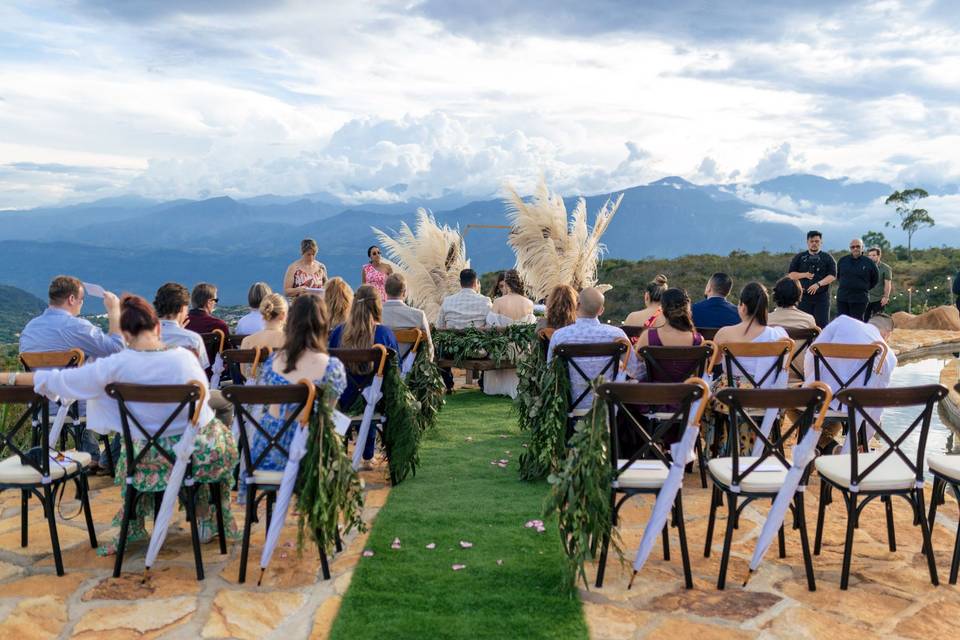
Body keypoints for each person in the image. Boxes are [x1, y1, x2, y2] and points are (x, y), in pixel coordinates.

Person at [3, 295, 239, 552]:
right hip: (196, 455)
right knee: (215, 438)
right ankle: (205, 515)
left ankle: (137, 521)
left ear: (125, 335)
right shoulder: (185, 358)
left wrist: (10, 376)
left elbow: (58, 380)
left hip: (145, 458)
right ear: (158, 327)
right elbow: (202, 412)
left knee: (138, 445)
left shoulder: (115, 366)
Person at [19, 275, 124, 470]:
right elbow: (117, 348)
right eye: (81, 300)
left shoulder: (29, 329)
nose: (81, 305)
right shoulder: (77, 327)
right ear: (71, 299)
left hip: (40, 406)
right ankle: (108, 460)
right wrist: (114, 310)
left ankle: (90, 455)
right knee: (130, 403)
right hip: (73, 404)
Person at [250, 295, 347, 471]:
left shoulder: (273, 362)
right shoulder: (332, 368)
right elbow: (329, 415)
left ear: (291, 322)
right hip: (311, 456)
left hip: (268, 452)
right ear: (323, 324)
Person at [803, 313, 897, 454]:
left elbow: (811, 355)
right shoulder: (888, 355)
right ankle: (829, 449)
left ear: (868, 323)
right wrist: (864, 438)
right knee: (841, 413)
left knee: (798, 404)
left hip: (820, 399)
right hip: (855, 407)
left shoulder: (842, 322)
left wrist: (810, 383)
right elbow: (878, 403)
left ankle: (818, 447)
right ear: (887, 334)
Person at [329, 285, 399, 468]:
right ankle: (368, 455)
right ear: (377, 306)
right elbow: (395, 373)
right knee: (372, 390)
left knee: (356, 390)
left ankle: (339, 453)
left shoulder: (338, 333)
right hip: (376, 401)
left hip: (342, 399)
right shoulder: (384, 334)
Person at [547, 287, 645, 411]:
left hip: (571, 404)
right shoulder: (616, 334)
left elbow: (550, 370)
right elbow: (637, 371)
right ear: (601, 310)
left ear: (577, 305)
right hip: (608, 405)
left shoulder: (560, 336)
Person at [155, 282, 233, 425]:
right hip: (186, 403)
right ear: (181, 308)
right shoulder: (191, 339)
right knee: (227, 402)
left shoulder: (143, 338)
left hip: (150, 411)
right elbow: (201, 373)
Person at [484, 270, 536, 398]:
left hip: (502, 350)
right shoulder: (529, 304)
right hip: (521, 350)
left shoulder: (498, 302)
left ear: (506, 284)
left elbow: (490, 327)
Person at [788, 230, 837, 328]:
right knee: (803, 325)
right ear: (807, 242)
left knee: (821, 325)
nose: (814, 243)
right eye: (812, 241)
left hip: (822, 297)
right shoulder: (800, 257)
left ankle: (820, 343)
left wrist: (818, 284)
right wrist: (805, 274)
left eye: (817, 241)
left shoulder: (827, 258)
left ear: (821, 242)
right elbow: (791, 275)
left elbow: (832, 276)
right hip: (803, 297)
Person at [183, 282, 229, 379]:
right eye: (215, 300)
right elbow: (228, 355)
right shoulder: (219, 325)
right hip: (210, 376)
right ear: (209, 302)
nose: (216, 303)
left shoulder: (182, 323)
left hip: (185, 375)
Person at [381, 273, 433, 359]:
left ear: (385, 291)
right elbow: (429, 348)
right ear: (404, 293)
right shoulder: (419, 315)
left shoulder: (373, 315)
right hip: (410, 369)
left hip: (380, 369)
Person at [836, 237, 879, 321]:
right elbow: (838, 276)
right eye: (853, 247)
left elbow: (875, 279)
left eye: (858, 246)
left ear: (862, 248)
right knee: (842, 322)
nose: (855, 248)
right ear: (850, 248)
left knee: (857, 323)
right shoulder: (842, 261)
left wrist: (864, 287)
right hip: (843, 298)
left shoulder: (869, 263)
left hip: (860, 299)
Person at [865, 247, 892, 321]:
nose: (871, 257)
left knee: (878, 320)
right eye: (869, 255)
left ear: (879, 256)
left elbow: (888, 284)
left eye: (873, 255)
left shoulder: (885, 268)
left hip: (878, 299)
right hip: (865, 298)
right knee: (864, 320)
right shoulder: (865, 267)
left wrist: (886, 297)